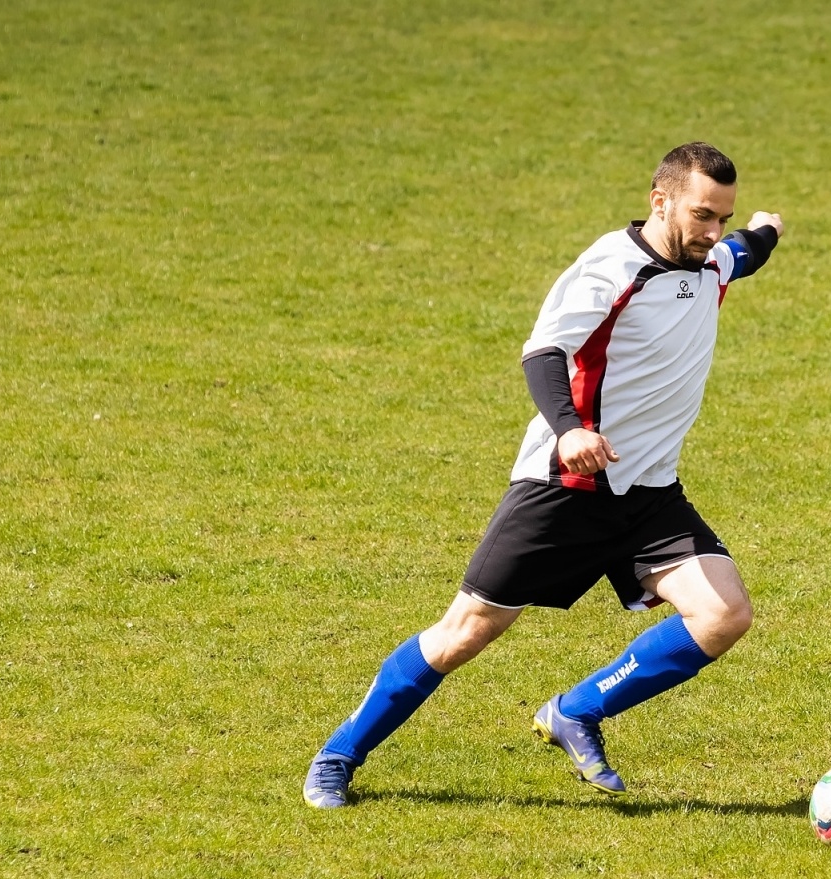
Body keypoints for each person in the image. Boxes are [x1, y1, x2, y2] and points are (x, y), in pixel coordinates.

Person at [303, 142, 784, 807]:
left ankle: (576, 710)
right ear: (660, 201)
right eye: (702, 215)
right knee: (465, 633)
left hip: (648, 494)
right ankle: (338, 755)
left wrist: (764, 229)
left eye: (722, 218)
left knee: (724, 614)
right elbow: (543, 351)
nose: (713, 232)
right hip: (566, 487)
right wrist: (569, 430)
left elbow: (746, 252)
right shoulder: (611, 268)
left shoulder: (712, 264)